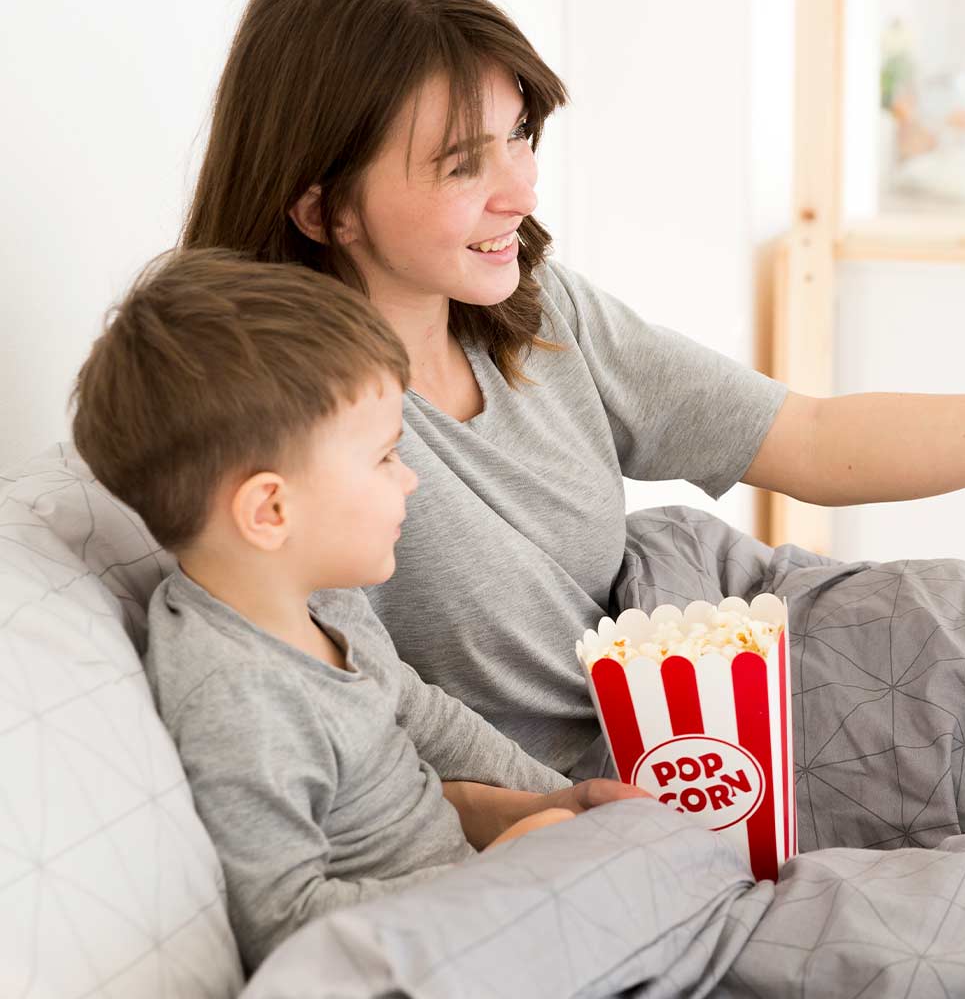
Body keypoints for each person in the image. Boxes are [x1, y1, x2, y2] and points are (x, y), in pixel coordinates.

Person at [179, 0, 965, 844]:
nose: (521, 188)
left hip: (750, 653)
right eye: (465, 163)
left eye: (520, 134)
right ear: (324, 208)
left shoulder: (540, 312)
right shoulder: (282, 443)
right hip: (651, 781)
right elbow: (367, 722)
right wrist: (548, 823)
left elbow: (810, 437)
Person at [68, 250, 648, 969]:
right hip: (421, 954)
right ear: (270, 510)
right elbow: (284, 921)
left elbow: (425, 717)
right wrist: (493, 877)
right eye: (383, 458)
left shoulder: (326, 600)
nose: (408, 480)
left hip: (474, 898)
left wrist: (552, 804)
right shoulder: (236, 696)